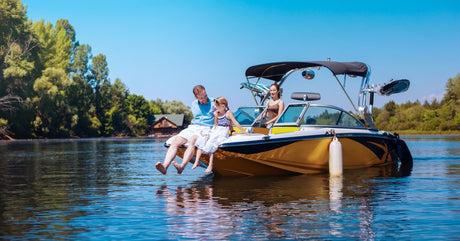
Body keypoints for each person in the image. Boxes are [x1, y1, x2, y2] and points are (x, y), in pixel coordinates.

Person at [176, 97, 248, 174]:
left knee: (213, 144)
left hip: (223, 132)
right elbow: (215, 124)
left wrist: (243, 132)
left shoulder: (228, 113)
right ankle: (197, 161)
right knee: (203, 140)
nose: (215, 108)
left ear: (223, 106)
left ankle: (210, 164)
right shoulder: (216, 114)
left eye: (216, 106)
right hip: (215, 130)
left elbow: (235, 123)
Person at [155, 85, 214, 174]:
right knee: (175, 141)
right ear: (196, 97)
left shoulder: (214, 102)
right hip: (193, 127)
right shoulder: (194, 104)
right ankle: (165, 167)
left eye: (205, 96)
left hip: (206, 128)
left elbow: (224, 112)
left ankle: (182, 166)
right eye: (201, 98)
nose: (204, 99)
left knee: (192, 142)